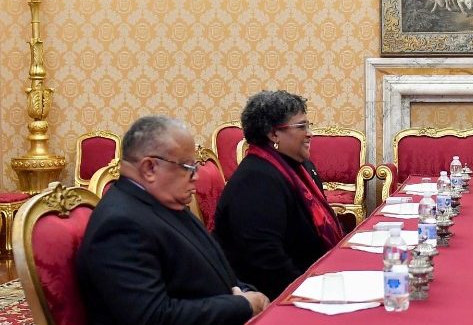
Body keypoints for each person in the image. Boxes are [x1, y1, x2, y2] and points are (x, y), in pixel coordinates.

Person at [77, 116, 268, 325]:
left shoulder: (163, 201)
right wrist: (242, 305)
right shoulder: (120, 226)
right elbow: (153, 317)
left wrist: (247, 293)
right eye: (188, 168)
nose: (196, 176)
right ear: (150, 168)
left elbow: (215, 267)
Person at [214, 90, 345, 300]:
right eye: (301, 127)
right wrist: (310, 293)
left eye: (308, 125)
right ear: (274, 134)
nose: (310, 133)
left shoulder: (301, 167)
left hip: (313, 279)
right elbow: (266, 261)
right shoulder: (255, 180)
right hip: (276, 296)